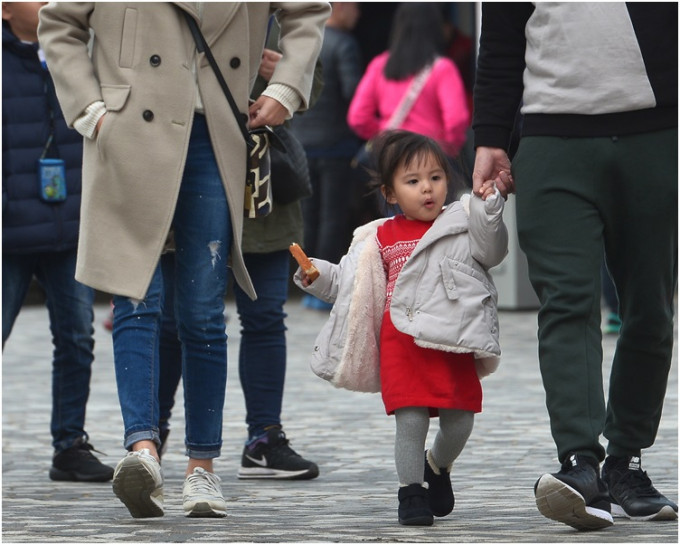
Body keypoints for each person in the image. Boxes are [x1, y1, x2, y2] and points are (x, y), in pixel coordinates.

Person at [38, 2, 330, 519]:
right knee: (135, 294)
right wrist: (92, 111)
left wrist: (285, 87)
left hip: (215, 132)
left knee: (201, 308)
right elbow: (59, 22)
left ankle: (202, 468)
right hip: (129, 130)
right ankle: (143, 453)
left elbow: (307, 12)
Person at [472, 2, 678, 531]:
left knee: (651, 309)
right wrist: (491, 136)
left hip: (656, 137)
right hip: (551, 142)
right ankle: (580, 465)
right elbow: (499, 44)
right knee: (568, 301)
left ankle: (625, 461)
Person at [293, 130, 508, 526]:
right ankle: (410, 492)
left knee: (460, 420)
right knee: (410, 421)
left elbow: (492, 251)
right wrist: (316, 275)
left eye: (435, 177)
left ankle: (437, 465)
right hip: (402, 342)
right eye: (412, 181)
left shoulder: (462, 222)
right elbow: (347, 283)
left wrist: (491, 209)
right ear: (390, 194)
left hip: (452, 337)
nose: (427, 189)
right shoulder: (378, 237)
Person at [157, 16, 323, 481]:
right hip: (187, 171)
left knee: (266, 314)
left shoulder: (276, 14)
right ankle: (152, 434)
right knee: (175, 318)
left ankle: (264, 437)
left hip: (264, 187)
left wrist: (283, 81)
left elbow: (318, 85)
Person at [2, 1, 113, 483]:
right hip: (7, 231)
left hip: (70, 227)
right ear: (6, 9)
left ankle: (70, 444)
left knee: (76, 338)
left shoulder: (80, 56)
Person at [288, 2, 363, 311]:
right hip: (336, 146)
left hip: (302, 145)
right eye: (356, 7)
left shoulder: (305, 43)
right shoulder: (344, 44)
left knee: (307, 218)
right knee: (333, 218)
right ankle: (321, 290)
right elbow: (353, 92)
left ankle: (305, 280)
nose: (358, 14)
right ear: (340, 7)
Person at [347, 3, 469, 167]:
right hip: (431, 158)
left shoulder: (380, 65)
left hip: (391, 157)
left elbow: (357, 118)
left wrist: (384, 136)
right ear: (435, 28)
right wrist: (448, 151)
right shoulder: (443, 68)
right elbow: (456, 121)